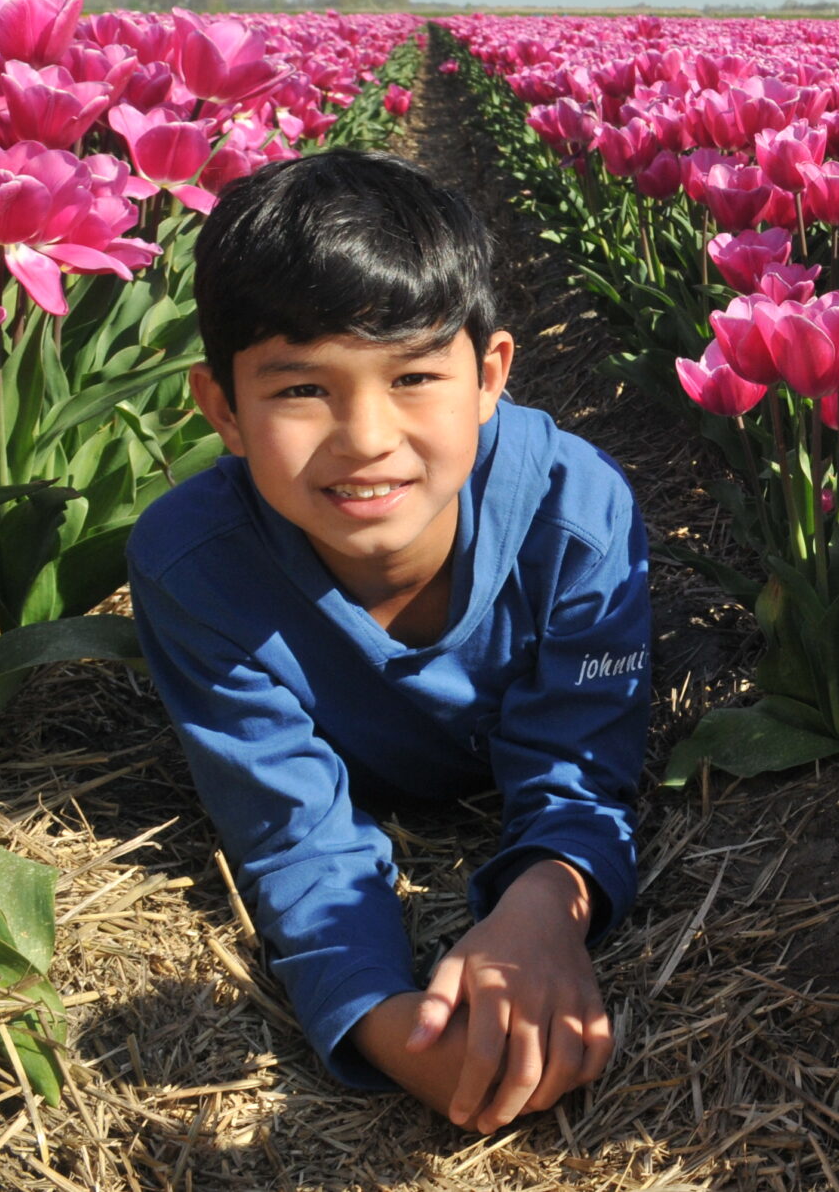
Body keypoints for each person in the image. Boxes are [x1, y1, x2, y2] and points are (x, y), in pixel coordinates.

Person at [128, 148, 651, 1133]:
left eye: (414, 374)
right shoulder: (195, 569)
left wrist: (548, 901)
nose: (367, 436)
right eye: (299, 390)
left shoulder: (576, 515)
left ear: (489, 374)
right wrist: (384, 1019)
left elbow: (584, 756)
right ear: (222, 409)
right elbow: (292, 828)